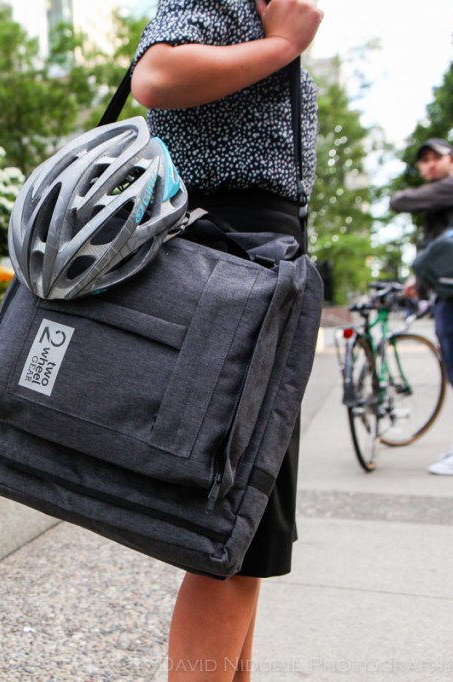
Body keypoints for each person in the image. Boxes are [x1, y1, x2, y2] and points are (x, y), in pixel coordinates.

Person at [130, 0, 323, 679]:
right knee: (233, 531)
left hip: (252, 267)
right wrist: (281, 47)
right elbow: (154, 76)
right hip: (237, 265)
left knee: (247, 529)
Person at [389, 138, 453, 476]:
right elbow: (443, 251)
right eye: (423, 160)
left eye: (435, 158)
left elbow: (401, 201)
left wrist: (397, 196)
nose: (429, 165)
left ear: (452, 161)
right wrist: (420, 284)